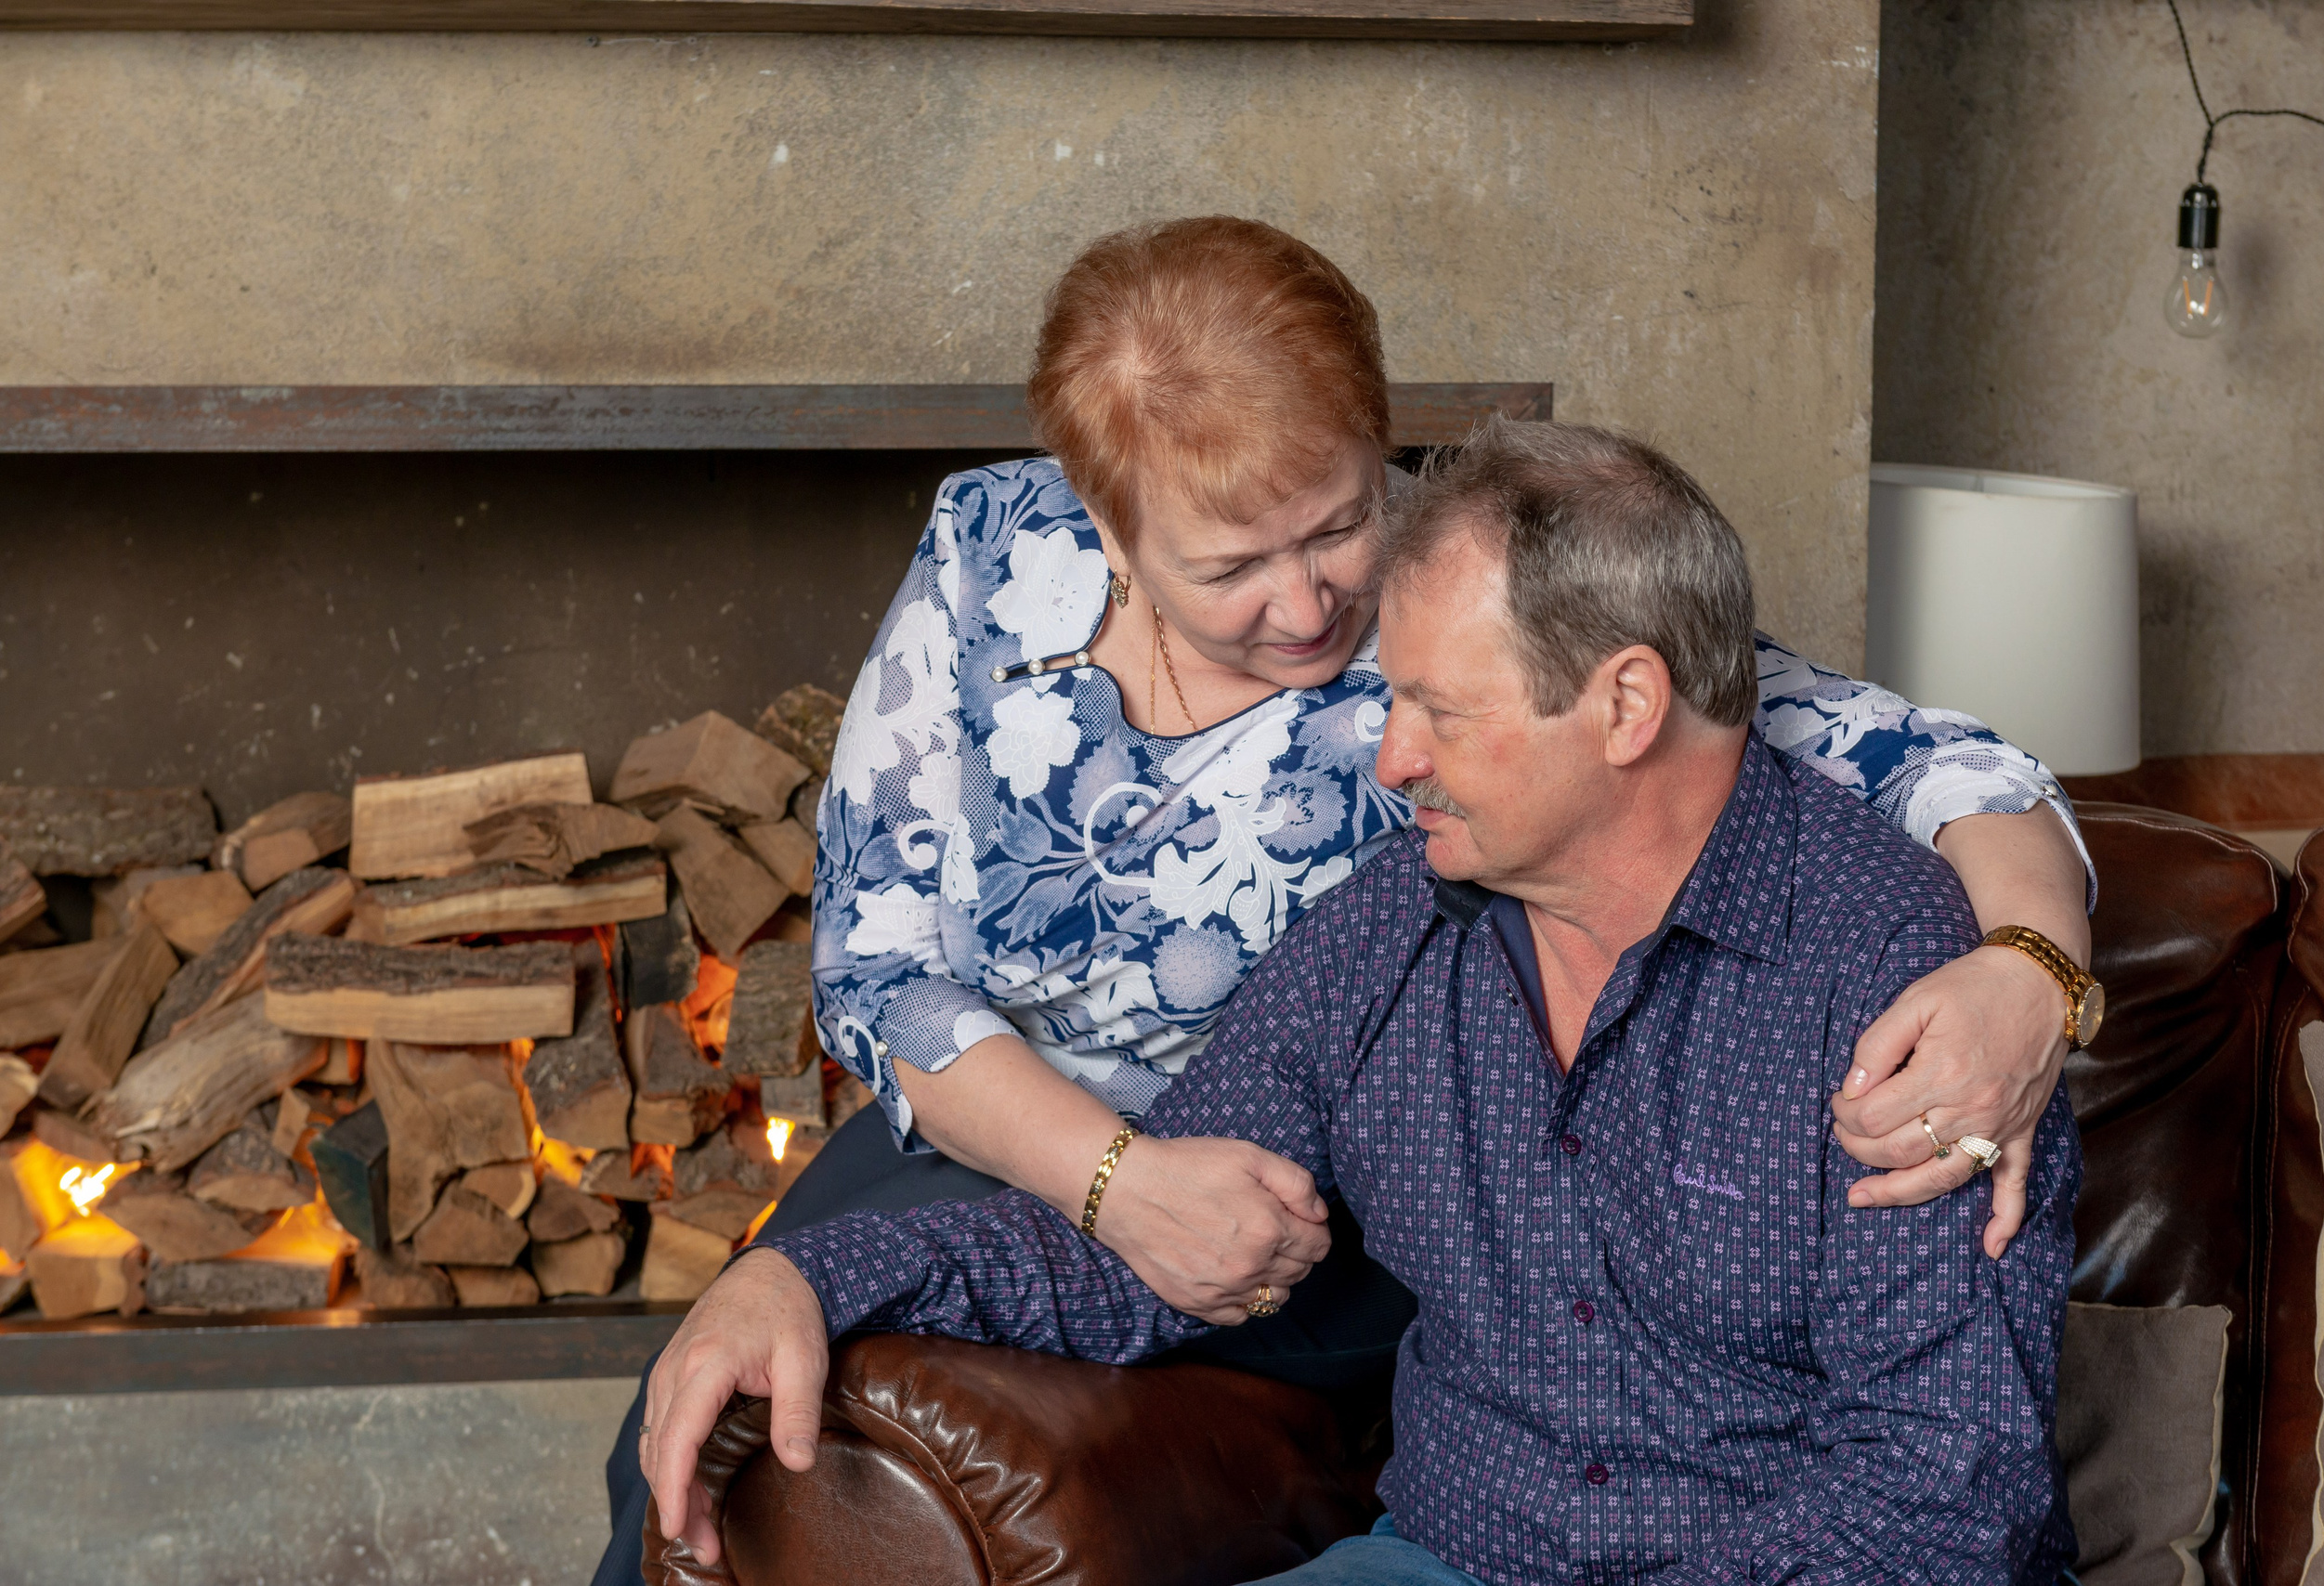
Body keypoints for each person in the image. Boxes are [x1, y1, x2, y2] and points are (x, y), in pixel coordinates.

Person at [591, 217, 2096, 1580]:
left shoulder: (1821, 912)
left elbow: (1939, 1488)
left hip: (1312, 1222)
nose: (1317, 615)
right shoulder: (1382, 888)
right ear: (1107, 526)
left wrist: (2029, 962)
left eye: (1335, 529)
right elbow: (888, 967)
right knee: (689, 1419)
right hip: (1074, 1144)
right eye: (1236, 563)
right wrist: (788, 1269)